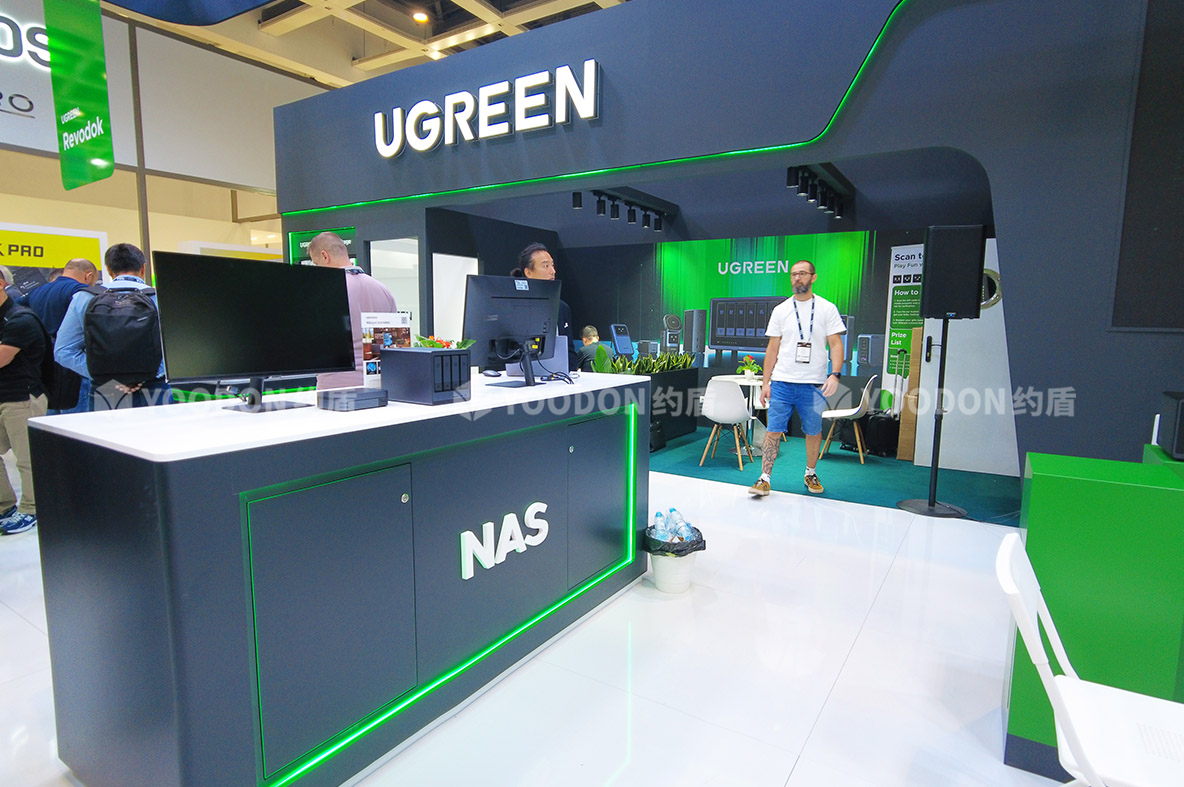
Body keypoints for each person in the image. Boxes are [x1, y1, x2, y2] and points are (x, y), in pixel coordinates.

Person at [749, 259, 846, 497]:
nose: (797, 278)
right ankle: (764, 478)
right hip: (782, 382)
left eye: (802, 273)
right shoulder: (781, 310)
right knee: (773, 430)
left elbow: (836, 344)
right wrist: (765, 382)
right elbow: (772, 349)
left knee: (813, 431)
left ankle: (810, 473)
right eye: (793, 274)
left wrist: (835, 375)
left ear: (813, 277)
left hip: (813, 384)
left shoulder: (827, 308)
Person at [55, 243, 171, 410]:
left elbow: (63, 351)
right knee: (157, 428)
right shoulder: (161, 298)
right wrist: (145, 375)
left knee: (105, 428)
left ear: (109, 270)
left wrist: (109, 376)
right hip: (154, 389)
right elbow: (175, 350)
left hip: (105, 390)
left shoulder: (84, 298)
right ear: (143, 268)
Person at [311, 232, 397, 389]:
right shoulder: (383, 290)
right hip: (378, 384)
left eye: (316, 264)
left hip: (334, 386)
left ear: (325, 256)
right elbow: (392, 344)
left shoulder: (323, 293)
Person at [0, 285, 48, 535]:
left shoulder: (20, 319)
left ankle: (32, 509)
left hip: (22, 398)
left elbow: (2, 358)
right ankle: (5, 506)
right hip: (5, 396)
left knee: (27, 458)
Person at [26, 258, 98, 414]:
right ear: (89, 276)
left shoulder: (36, 292)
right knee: (77, 422)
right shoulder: (83, 293)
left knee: (51, 421)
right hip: (74, 370)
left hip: (44, 369)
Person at [511, 242, 575, 368]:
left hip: (560, 376)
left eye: (552, 265)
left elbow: (569, 352)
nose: (553, 271)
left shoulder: (562, 308)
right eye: (546, 266)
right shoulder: (514, 307)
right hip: (521, 374)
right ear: (528, 272)